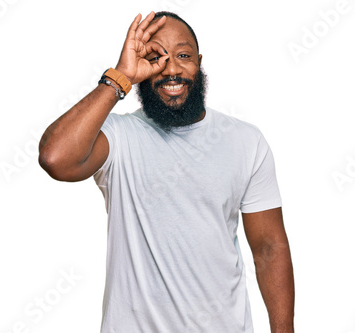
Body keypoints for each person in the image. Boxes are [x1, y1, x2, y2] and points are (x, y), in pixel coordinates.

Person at [38, 11, 294, 333]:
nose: (171, 69)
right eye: (156, 57)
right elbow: (55, 158)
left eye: (183, 56)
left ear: (199, 62)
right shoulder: (118, 136)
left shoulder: (245, 141)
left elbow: (269, 246)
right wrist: (120, 77)